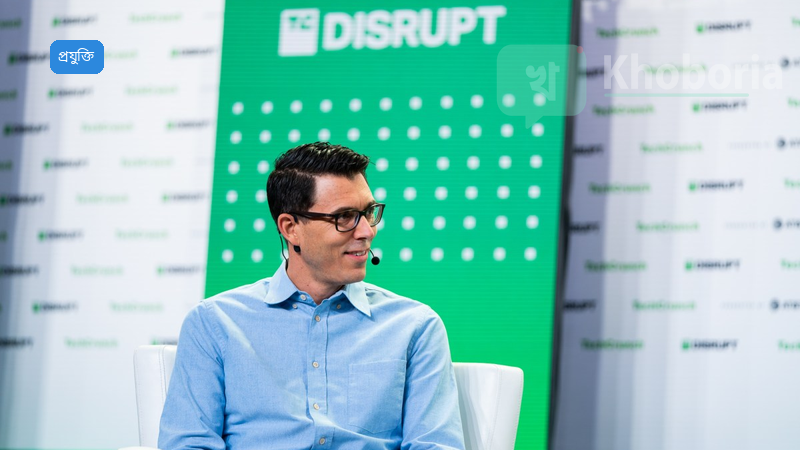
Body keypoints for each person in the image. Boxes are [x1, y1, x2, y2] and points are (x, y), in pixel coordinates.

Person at [158, 142, 465, 449]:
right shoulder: (214, 323)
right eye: (344, 217)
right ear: (291, 228)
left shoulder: (415, 327)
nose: (366, 232)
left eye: (368, 213)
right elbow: (189, 444)